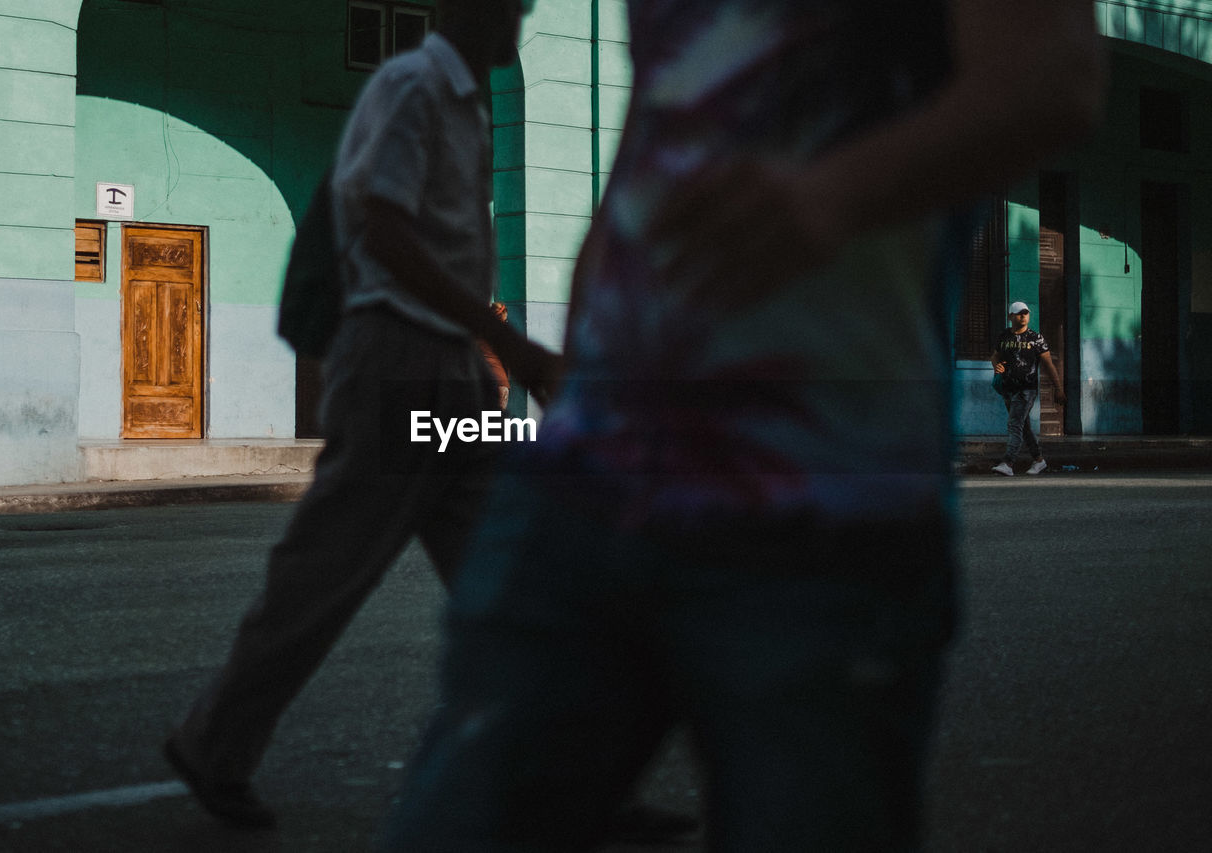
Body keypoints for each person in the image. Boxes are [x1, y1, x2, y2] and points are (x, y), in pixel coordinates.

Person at [380, 1, 1104, 851]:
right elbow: (648, 152)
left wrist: (827, 196)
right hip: (592, 476)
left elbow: (1051, 76)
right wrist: (570, 377)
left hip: (820, 499)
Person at [162, 0, 557, 829]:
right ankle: (213, 743)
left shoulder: (466, 101)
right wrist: (506, 341)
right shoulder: (413, 85)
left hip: (452, 373)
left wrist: (486, 354)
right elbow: (382, 230)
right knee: (324, 571)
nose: (519, 11)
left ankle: (570, 776)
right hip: (399, 366)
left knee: (515, 574)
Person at [990, 301, 1067, 476]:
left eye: (1026, 313)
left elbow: (1049, 365)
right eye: (1019, 313)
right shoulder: (1004, 337)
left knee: (1014, 424)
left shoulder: (1036, 338)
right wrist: (997, 367)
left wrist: (1059, 389)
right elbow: (995, 356)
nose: (1023, 316)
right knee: (1023, 427)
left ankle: (1008, 463)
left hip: (1027, 389)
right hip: (1007, 388)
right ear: (1011, 316)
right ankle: (1039, 460)